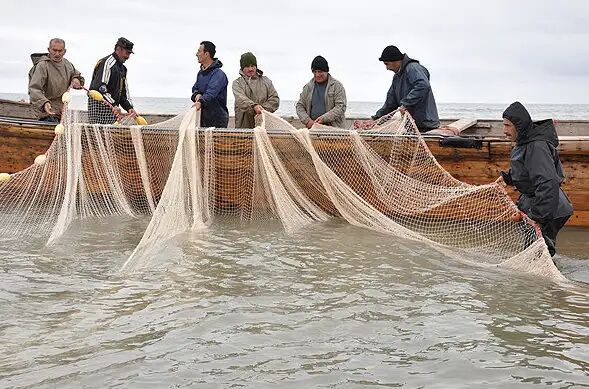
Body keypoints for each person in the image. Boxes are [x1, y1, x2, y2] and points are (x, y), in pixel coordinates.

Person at [500, 101, 573, 257]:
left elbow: (547, 182)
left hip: (550, 207)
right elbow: (527, 171)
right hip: (541, 204)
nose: (504, 130)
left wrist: (537, 217)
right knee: (533, 251)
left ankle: (550, 281)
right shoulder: (524, 142)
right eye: (503, 125)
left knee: (538, 254)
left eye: (508, 126)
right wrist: (508, 178)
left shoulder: (537, 146)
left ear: (519, 126)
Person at [368, 45, 439, 132]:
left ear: (396, 60)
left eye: (387, 64)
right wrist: (376, 119)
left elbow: (423, 85)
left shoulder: (413, 68)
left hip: (426, 125)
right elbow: (390, 103)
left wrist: (406, 104)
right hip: (411, 126)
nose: (387, 68)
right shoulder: (397, 78)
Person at [28, 38, 84, 122]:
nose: (57, 54)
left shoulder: (67, 65)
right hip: (44, 112)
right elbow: (34, 89)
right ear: (49, 50)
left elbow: (78, 76)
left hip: (61, 112)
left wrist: (76, 80)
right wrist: (44, 103)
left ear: (64, 51)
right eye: (54, 50)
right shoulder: (42, 66)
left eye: (60, 51)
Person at [88, 37, 136, 124]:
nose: (128, 57)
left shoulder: (123, 69)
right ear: (118, 49)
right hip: (98, 110)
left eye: (130, 54)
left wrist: (129, 108)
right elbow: (100, 87)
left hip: (113, 111)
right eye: (127, 53)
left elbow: (123, 93)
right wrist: (113, 104)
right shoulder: (106, 63)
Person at [295, 56, 347, 129]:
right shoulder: (308, 87)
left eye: (320, 72)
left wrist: (324, 118)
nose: (317, 75)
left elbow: (341, 107)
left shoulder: (337, 86)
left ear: (326, 71)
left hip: (334, 130)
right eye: (315, 72)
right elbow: (300, 106)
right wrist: (307, 121)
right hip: (313, 129)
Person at [232, 52, 279, 128]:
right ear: (242, 68)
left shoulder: (266, 81)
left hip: (264, 126)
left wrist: (262, 110)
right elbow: (241, 100)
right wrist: (254, 107)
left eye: (252, 66)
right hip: (243, 126)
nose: (250, 69)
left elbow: (275, 99)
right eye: (247, 66)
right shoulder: (237, 83)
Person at [191, 41, 229, 128]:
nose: (197, 54)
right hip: (204, 119)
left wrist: (200, 101)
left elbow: (211, 93)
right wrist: (196, 95)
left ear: (206, 54)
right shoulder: (200, 73)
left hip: (218, 120)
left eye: (199, 51)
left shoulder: (219, 74)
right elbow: (195, 89)